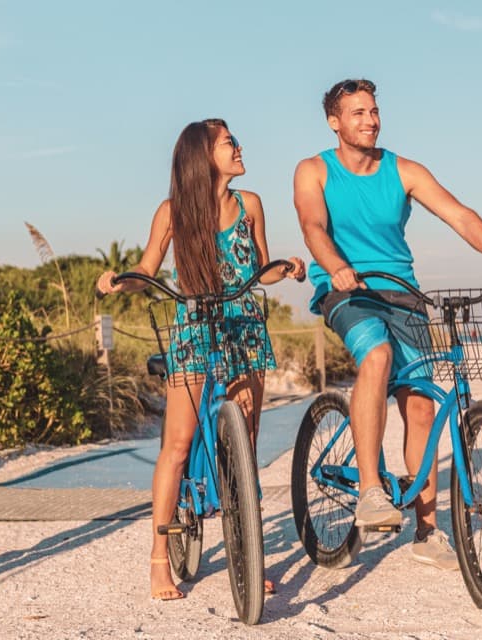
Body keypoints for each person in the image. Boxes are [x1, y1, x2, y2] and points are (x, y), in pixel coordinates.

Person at [294, 78, 482, 570]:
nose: (370, 120)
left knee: (421, 406)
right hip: (346, 289)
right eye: (358, 112)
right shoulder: (314, 170)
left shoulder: (403, 170)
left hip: (402, 291)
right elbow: (312, 226)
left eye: (374, 111)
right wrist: (334, 263)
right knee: (377, 356)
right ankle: (368, 492)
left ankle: (428, 531)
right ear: (334, 122)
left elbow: (459, 215)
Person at [96, 119, 305, 602]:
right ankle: (157, 561)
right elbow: (147, 270)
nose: (239, 147)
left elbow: (261, 271)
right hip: (195, 329)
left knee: (245, 447)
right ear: (203, 155)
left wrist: (287, 269)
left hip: (246, 329)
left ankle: (247, 555)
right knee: (177, 445)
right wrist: (118, 280)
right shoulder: (173, 212)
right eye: (230, 142)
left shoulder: (249, 205)